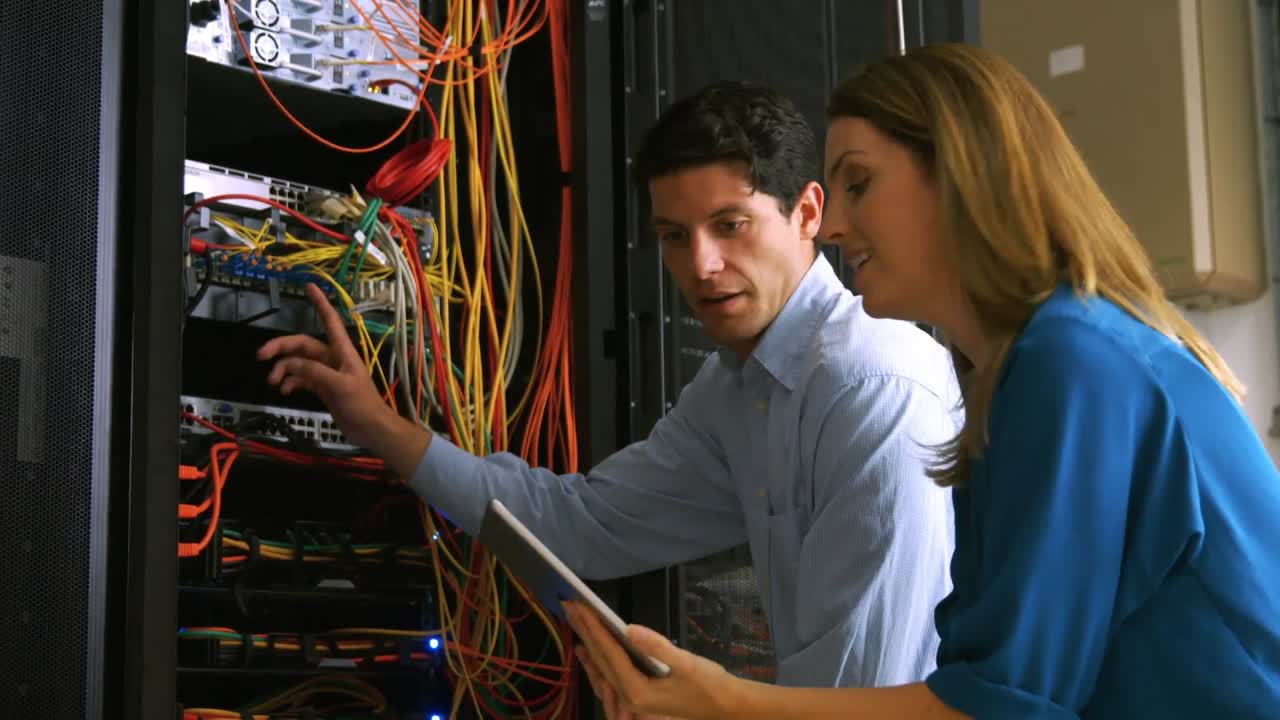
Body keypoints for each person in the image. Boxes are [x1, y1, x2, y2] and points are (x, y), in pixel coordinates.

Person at [564, 43, 1280, 719]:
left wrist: (721, 702)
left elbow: (997, 706)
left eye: (859, 184)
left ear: (962, 176)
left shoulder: (1073, 365)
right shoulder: (1029, 367)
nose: (834, 226)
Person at [259, 81, 961, 688]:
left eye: (730, 225)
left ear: (807, 213)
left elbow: (868, 693)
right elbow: (581, 526)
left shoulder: (873, 387)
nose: (701, 265)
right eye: (675, 236)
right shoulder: (735, 388)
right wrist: (378, 425)